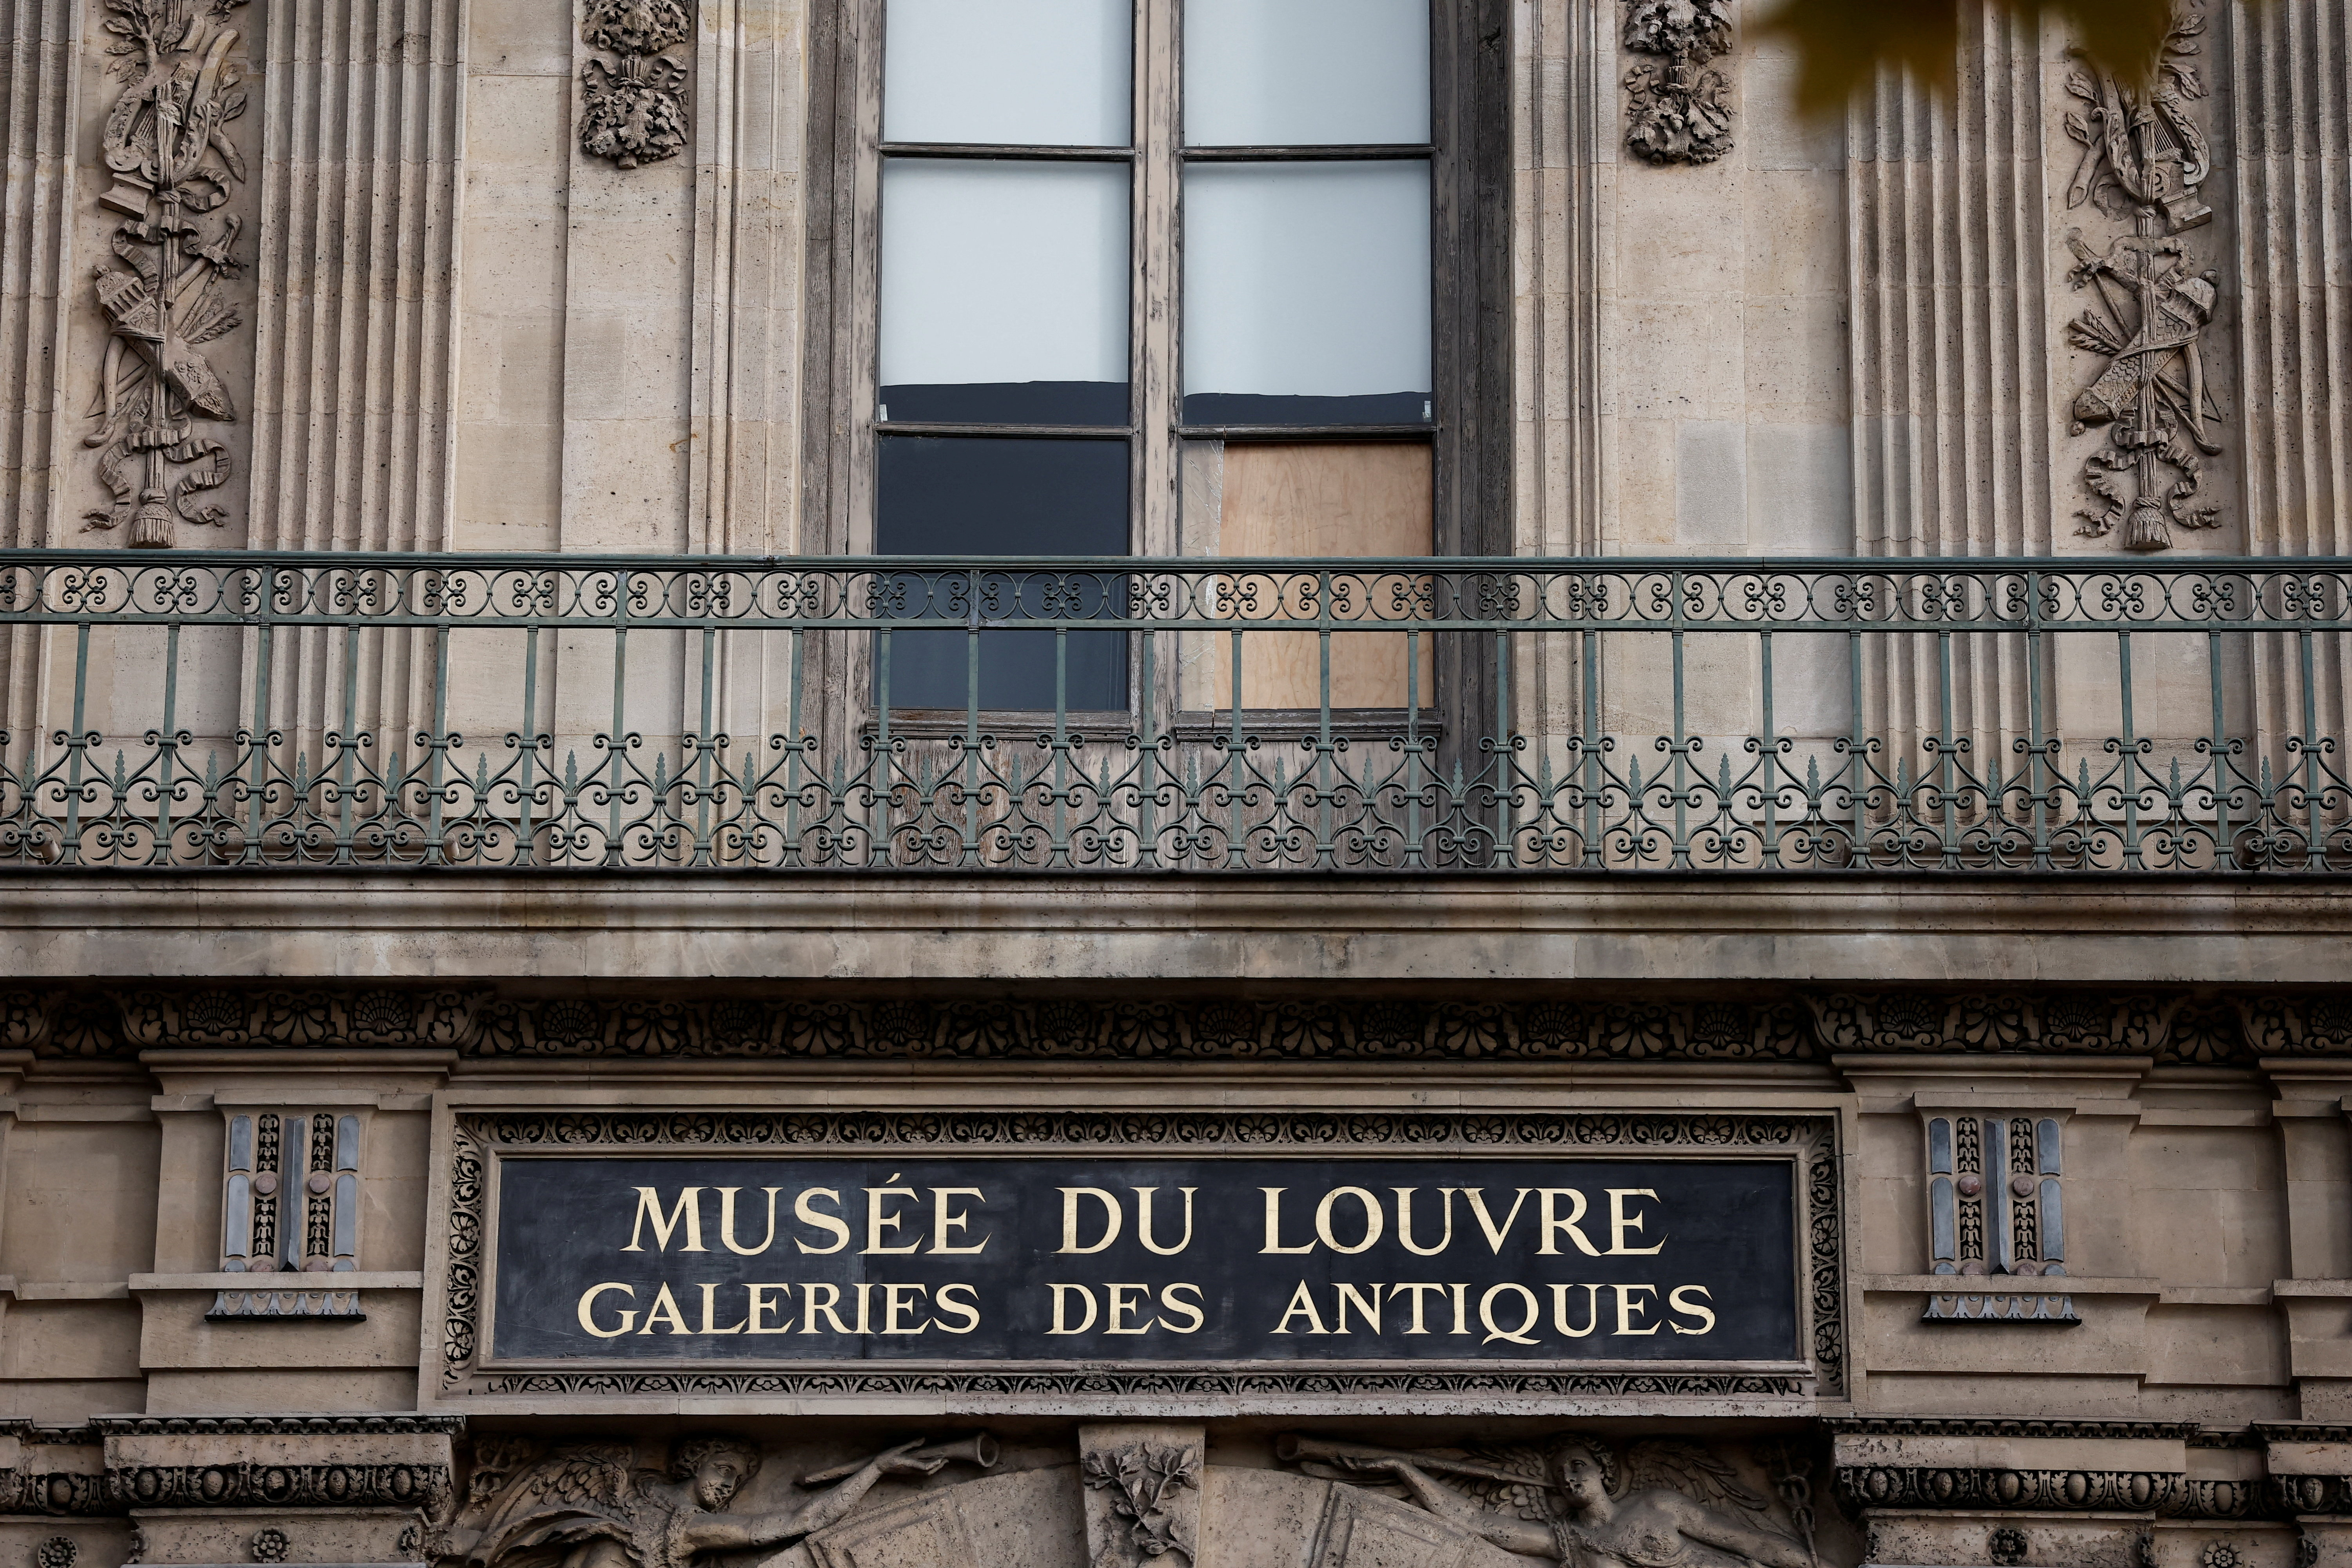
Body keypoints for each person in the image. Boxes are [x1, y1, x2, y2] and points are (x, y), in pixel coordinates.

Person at [448, 1435, 959, 1568]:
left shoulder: (687, 1530)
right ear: (694, 1463)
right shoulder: (624, 1484)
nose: (730, 1487)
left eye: (738, 1481)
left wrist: (873, 1468)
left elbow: (801, 1519)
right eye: (724, 1471)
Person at [1339, 1437, 1811, 1568]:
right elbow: (1477, 1521)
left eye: (1577, 1466)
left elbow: (1753, 1544)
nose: (1567, 1477)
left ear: (1603, 1470)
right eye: (1560, 1473)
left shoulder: (1660, 1504)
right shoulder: (1569, 1542)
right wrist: (1406, 1469)